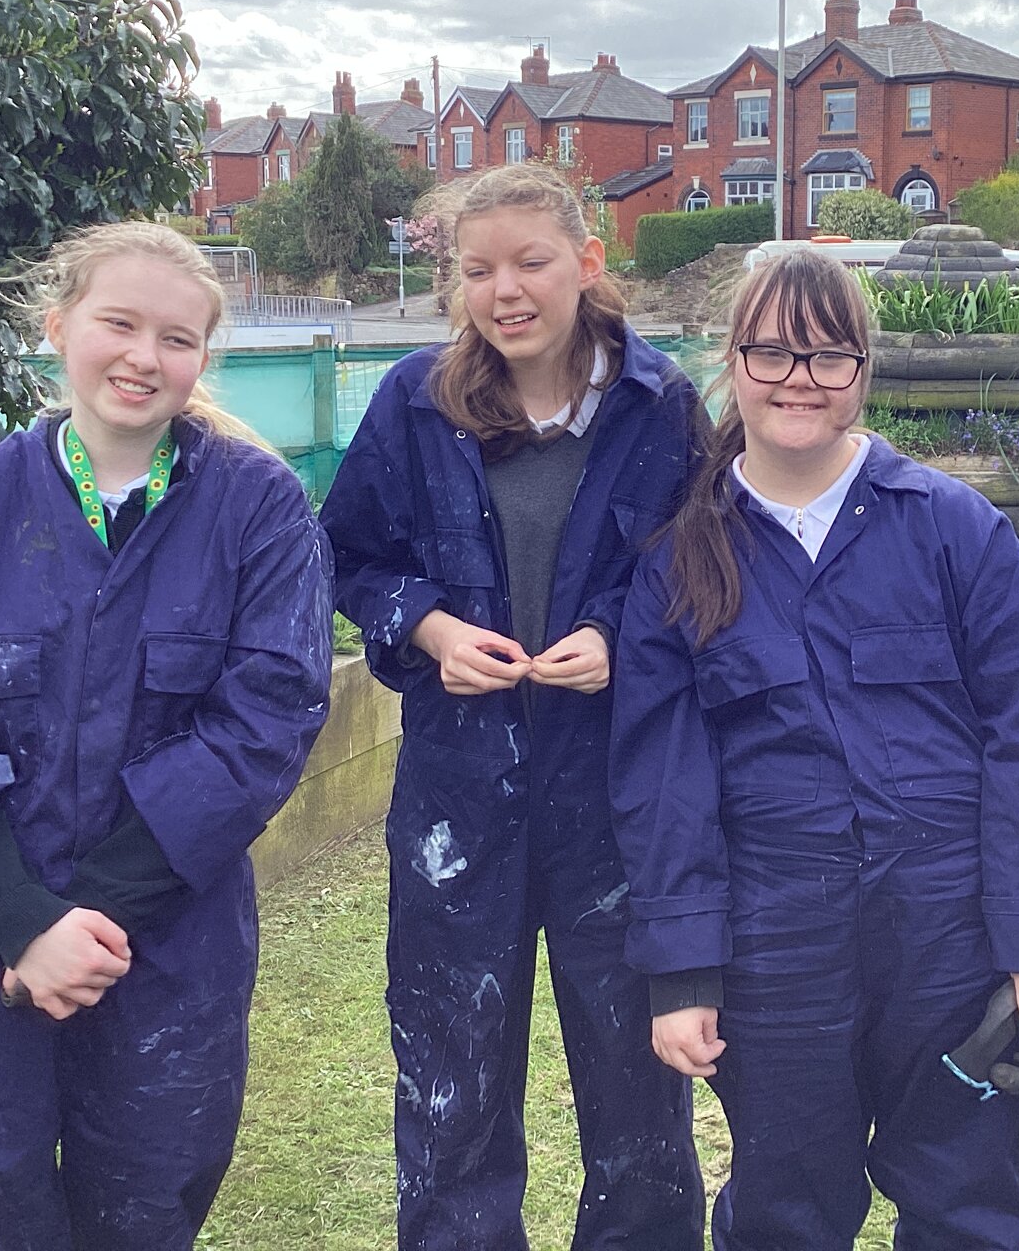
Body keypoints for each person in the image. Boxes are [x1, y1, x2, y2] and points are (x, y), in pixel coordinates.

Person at [0, 220, 334, 1250]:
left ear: (203, 359)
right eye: (120, 323)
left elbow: (265, 724)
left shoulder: (260, 515)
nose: (145, 358)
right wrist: (20, 923)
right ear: (57, 326)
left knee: (141, 1215)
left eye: (178, 339)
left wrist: (81, 927)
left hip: (162, 952)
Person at [612, 250, 1019, 1249]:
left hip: (948, 932)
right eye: (773, 351)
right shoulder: (681, 560)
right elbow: (663, 782)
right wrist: (682, 973)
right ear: (732, 362)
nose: (800, 378)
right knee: (786, 1202)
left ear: (861, 372)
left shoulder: (953, 529)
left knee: (962, 1193)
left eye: (828, 356)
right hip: (772, 939)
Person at [318, 162, 706, 1250]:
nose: (505, 290)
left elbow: (700, 566)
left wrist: (623, 640)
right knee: (452, 1072)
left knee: (634, 1080)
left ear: (586, 264)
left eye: (530, 262)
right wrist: (431, 630)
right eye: (476, 269)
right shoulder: (413, 401)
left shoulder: (659, 403)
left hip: (612, 792)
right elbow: (350, 554)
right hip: (457, 795)